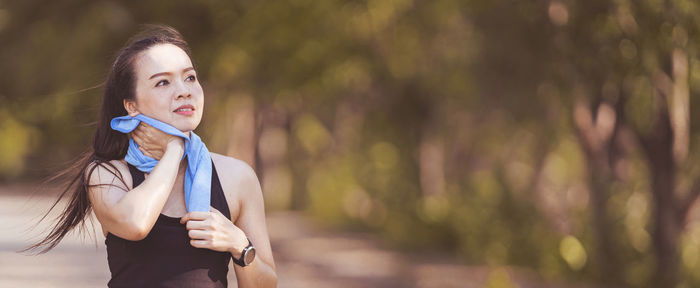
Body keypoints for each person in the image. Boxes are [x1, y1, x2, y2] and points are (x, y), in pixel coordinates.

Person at [24, 25, 277, 287]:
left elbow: (266, 284)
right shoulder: (107, 174)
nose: (184, 91)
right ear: (131, 106)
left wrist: (240, 245)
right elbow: (136, 224)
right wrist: (175, 150)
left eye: (190, 78)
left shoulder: (237, 176)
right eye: (163, 82)